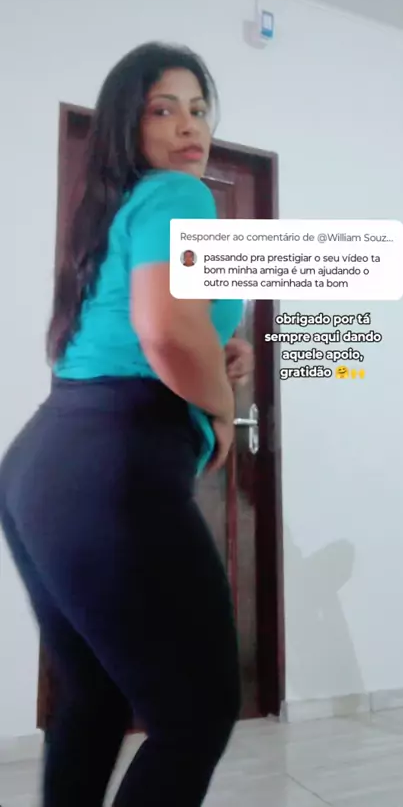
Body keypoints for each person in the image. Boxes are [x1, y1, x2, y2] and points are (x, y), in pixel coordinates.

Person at [0, 42, 254, 807]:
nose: (189, 125)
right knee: (195, 714)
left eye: (199, 109)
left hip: (45, 463)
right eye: (163, 109)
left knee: (95, 697)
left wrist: (221, 348)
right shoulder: (180, 194)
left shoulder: (114, 207)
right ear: (127, 124)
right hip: (114, 466)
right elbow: (165, 331)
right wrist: (221, 407)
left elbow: (158, 328)